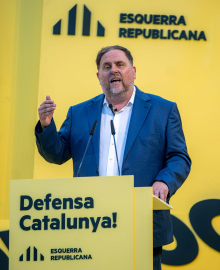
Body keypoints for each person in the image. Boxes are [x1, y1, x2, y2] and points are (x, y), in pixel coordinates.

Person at [35, 45, 191, 270]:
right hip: (89, 222)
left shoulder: (162, 110)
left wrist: (164, 181)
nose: (113, 70)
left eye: (120, 65)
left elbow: (179, 157)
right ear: (99, 76)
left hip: (140, 222)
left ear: (134, 71)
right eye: (106, 67)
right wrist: (46, 125)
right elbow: (57, 154)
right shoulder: (79, 113)